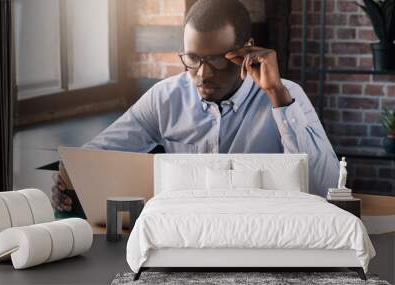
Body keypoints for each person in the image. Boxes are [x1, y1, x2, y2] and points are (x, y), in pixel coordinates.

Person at [52, 0, 339, 212]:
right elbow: (96, 154)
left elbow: (325, 187)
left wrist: (277, 96)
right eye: (192, 59)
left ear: (247, 51)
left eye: (217, 59)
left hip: (263, 227)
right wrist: (68, 178)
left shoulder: (288, 96)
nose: (203, 74)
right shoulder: (166, 97)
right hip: (186, 232)